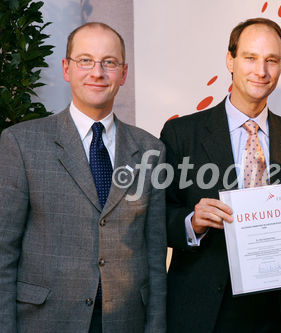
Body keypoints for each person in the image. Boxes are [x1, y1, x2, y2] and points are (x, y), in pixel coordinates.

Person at [160, 17, 281, 333]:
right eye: (250, 58)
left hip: (275, 311)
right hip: (202, 310)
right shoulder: (181, 134)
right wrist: (191, 222)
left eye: (272, 60)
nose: (261, 71)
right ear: (230, 60)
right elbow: (157, 216)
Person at [0, 22, 167, 332]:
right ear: (66, 68)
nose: (97, 72)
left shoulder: (150, 150)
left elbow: (155, 258)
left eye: (109, 62)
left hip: (125, 321)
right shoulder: (21, 144)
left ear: (124, 73)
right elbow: (3, 252)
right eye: (85, 60)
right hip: (45, 320)